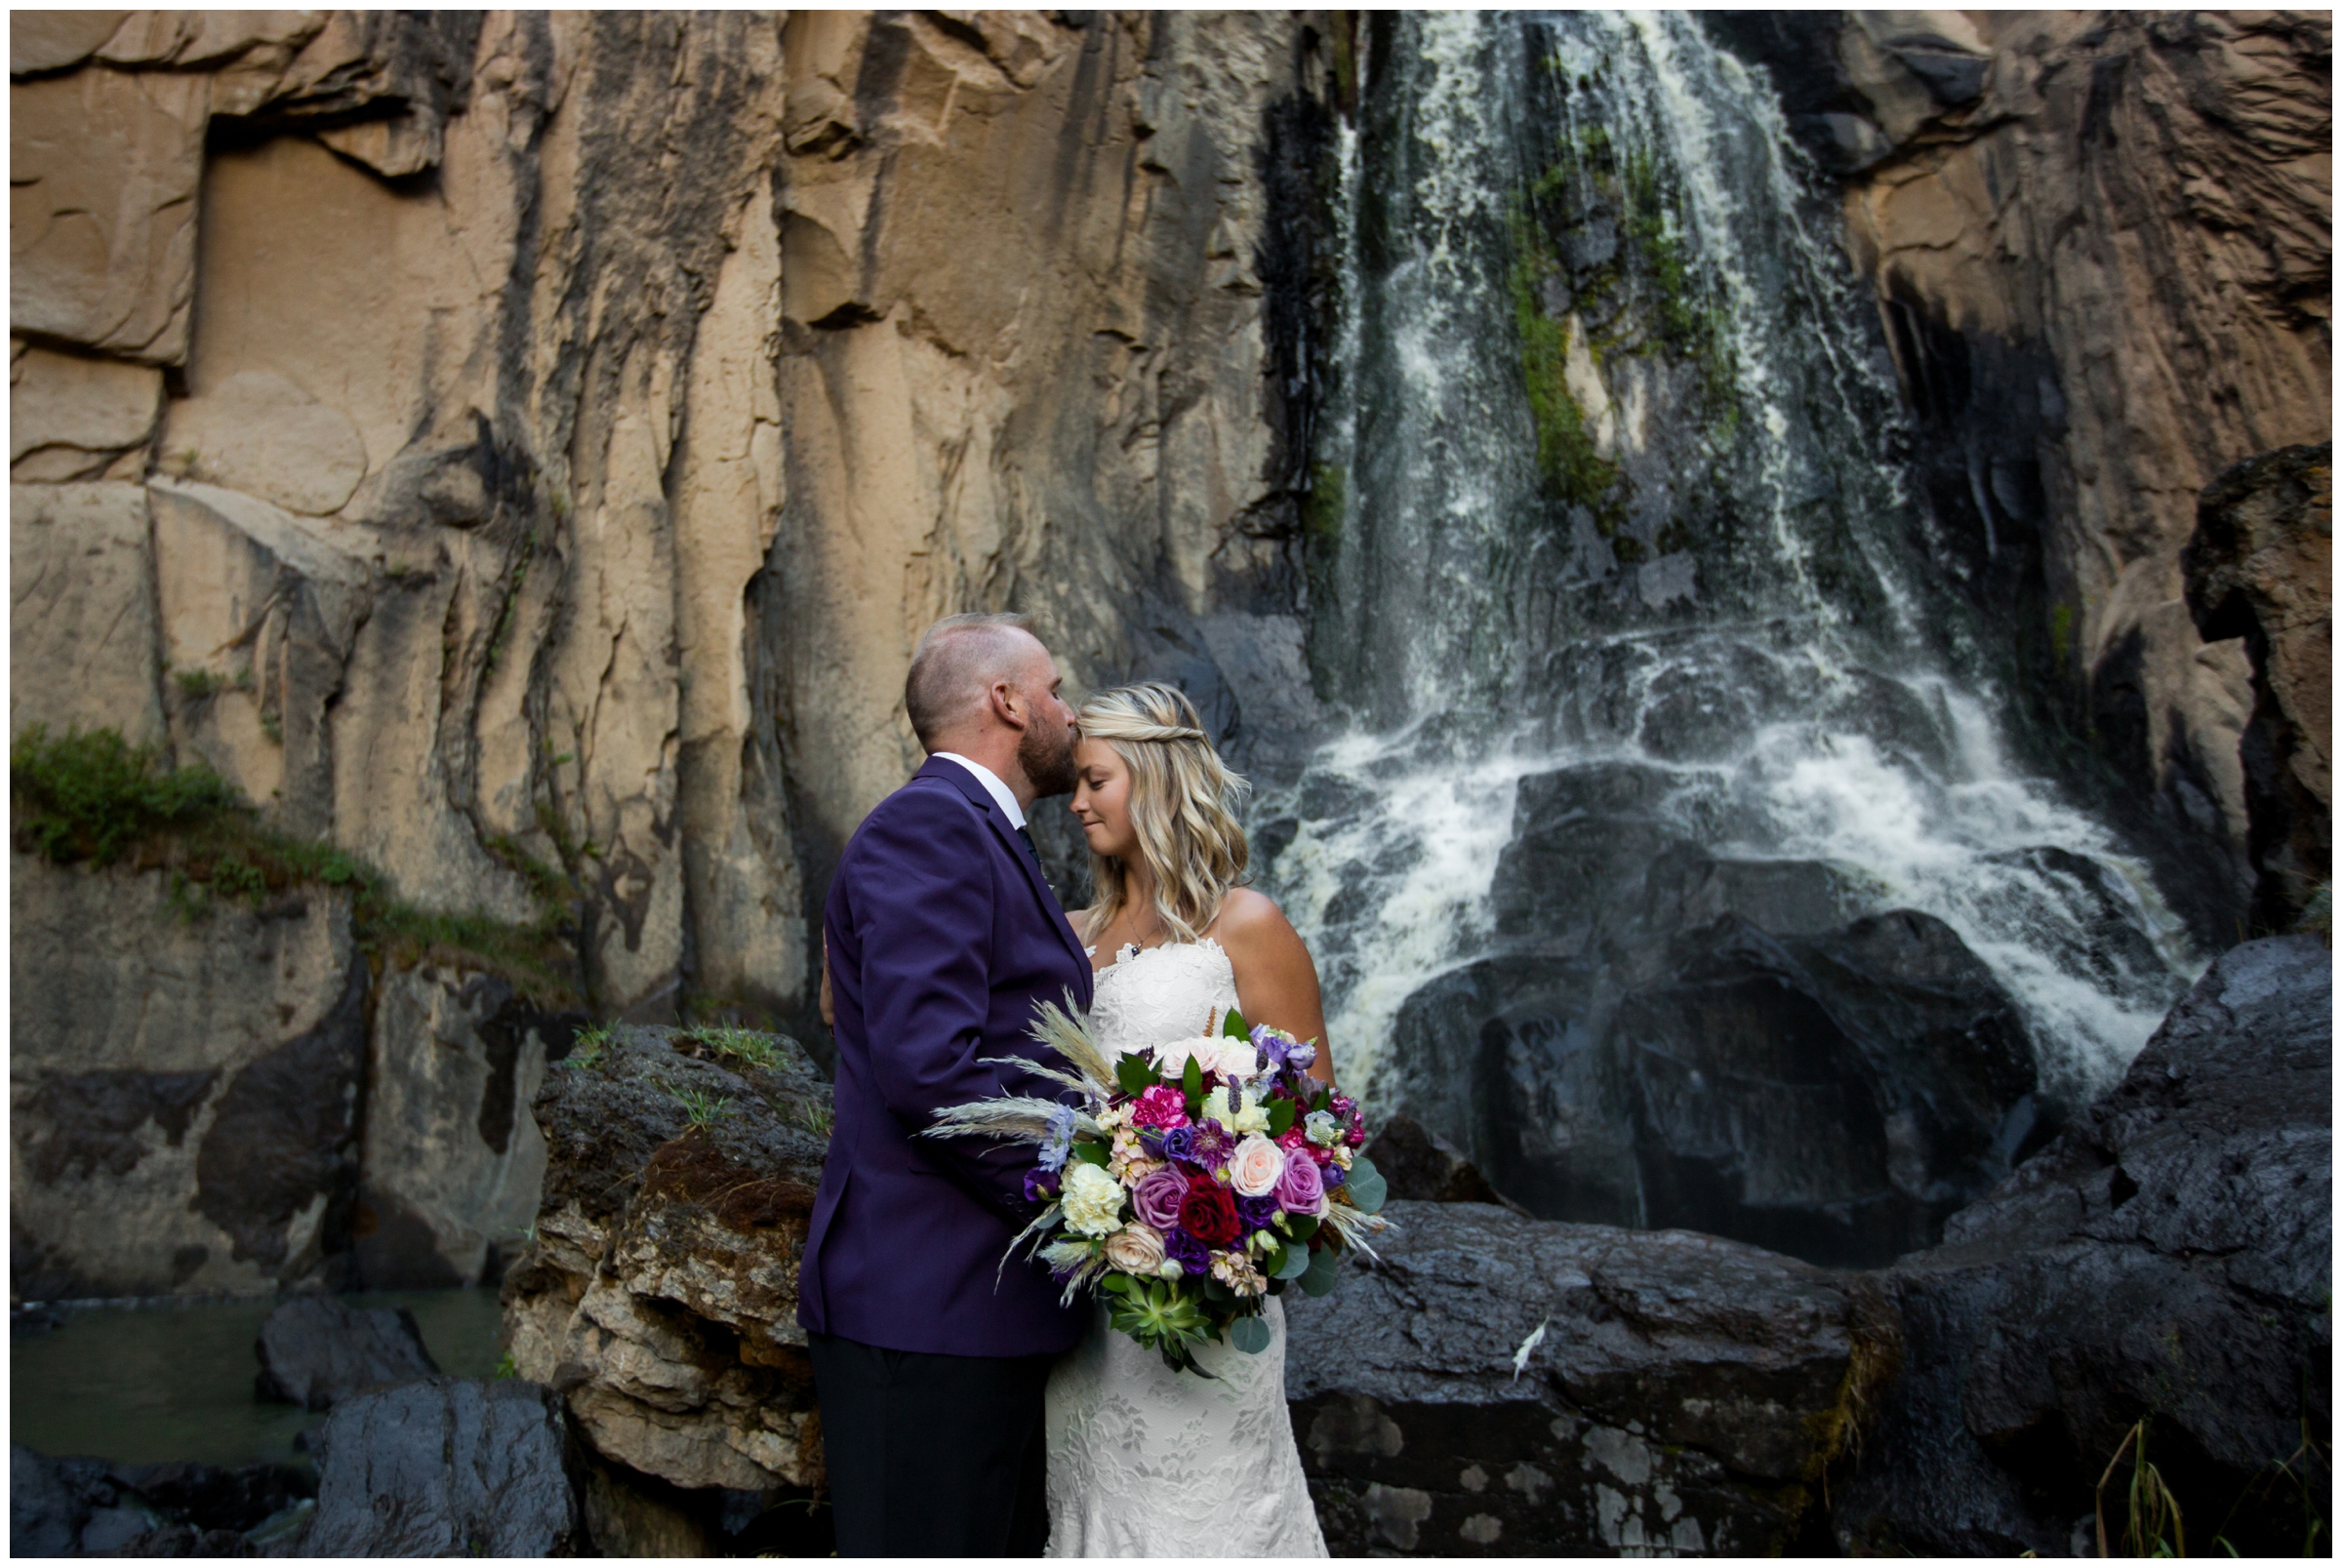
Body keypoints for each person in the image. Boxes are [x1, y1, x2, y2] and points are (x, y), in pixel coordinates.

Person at [798, 611, 1094, 1556]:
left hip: (974, 1307)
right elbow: (932, 1071)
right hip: (924, 1309)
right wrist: (1080, 1196)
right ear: (1005, 700)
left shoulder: (973, 831)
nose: (1068, 711)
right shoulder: (930, 826)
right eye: (1054, 690)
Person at [1043, 681, 1332, 1556]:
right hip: (1090, 1307)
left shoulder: (1244, 925)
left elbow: (1317, 1125)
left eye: (1096, 779)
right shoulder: (1066, 930)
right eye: (1075, 785)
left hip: (1209, 1298)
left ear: (1157, 776)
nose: (1078, 801)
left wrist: (1230, 1227)